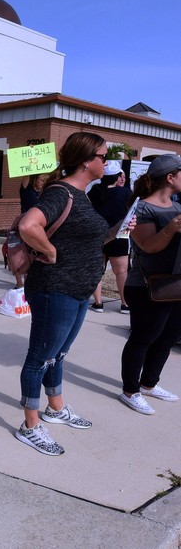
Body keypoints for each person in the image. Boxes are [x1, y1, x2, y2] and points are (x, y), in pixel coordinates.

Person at [14, 132, 114, 456]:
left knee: (58, 354)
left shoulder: (82, 194)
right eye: (103, 156)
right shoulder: (60, 193)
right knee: (39, 358)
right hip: (54, 289)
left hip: (78, 290)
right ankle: (29, 426)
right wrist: (51, 252)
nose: (107, 162)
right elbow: (29, 225)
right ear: (87, 160)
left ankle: (54, 407)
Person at [118, 153, 181, 415]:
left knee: (168, 337)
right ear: (170, 177)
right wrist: (172, 228)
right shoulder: (142, 208)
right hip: (147, 286)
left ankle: (149, 383)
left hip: (174, 284)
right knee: (143, 338)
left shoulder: (177, 206)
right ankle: (130, 390)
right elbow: (148, 246)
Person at [88, 161, 132, 313]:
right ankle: (125, 304)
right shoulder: (125, 193)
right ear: (118, 176)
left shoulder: (93, 191)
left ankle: (98, 303)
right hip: (119, 235)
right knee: (121, 271)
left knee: (96, 269)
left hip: (96, 234)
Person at [13, 173, 50, 287]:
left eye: (44, 181)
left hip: (36, 227)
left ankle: (29, 281)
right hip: (24, 224)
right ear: (34, 180)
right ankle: (19, 283)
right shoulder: (27, 190)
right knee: (18, 253)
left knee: (32, 254)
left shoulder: (43, 194)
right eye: (41, 180)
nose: (42, 183)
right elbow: (25, 177)